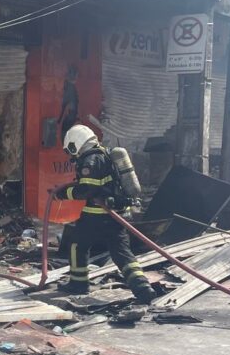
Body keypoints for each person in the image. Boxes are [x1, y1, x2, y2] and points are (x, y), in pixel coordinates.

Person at [52, 124, 161, 304]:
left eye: (70, 149)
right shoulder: (106, 154)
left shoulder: (91, 160)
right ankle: (142, 288)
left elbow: (87, 190)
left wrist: (64, 194)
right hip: (117, 215)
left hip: (96, 215)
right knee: (122, 253)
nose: (71, 154)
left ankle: (78, 284)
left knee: (77, 245)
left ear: (75, 144)